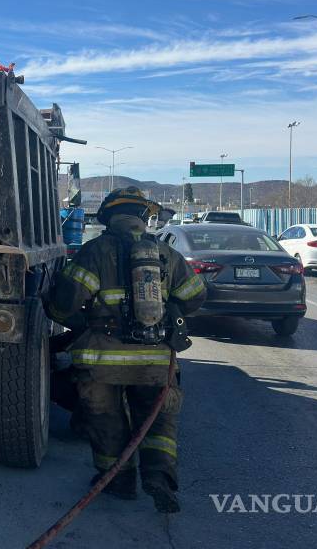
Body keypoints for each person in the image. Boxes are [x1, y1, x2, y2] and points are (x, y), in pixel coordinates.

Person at [44, 187, 206, 514]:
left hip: (102, 361)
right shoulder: (165, 253)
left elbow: (63, 306)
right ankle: (158, 476)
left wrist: (71, 315)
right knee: (157, 421)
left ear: (107, 217)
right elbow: (195, 297)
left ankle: (118, 481)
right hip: (155, 360)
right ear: (143, 217)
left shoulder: (94, 252)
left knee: (106, 421)